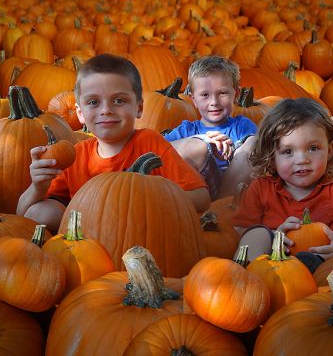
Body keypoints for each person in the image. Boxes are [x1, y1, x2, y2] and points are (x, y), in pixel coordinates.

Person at [16, 54, 210, 233]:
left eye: (118, 100)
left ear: (139, 108)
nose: (106, 110)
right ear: (80, 113)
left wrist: (151, 199)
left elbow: (201, 197)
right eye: (93, 102)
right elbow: (23, 216)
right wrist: (37, 187)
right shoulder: (75, 156)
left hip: (140, 233)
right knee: (42, 213)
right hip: (89, 241)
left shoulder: (150, 144)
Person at [232, 98, 333, 271]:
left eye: (313, 148)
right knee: (256, 234)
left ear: (329, 150)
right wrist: (274, 238)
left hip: (324, 276)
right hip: (271, 268)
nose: (302, 160)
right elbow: (239, 232)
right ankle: (246, 282)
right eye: (287, 151)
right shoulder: (261, 189)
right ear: (271, 157)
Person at [163, 55, 257, 200]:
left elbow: (259, 158)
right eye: (205, 95)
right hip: (197, 193)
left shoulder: (241, 127)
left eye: (222, 93)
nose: (214, 102)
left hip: (230, 197)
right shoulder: (187, 130)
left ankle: (219, 210)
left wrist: (234, 151)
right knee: (190, 148)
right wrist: (203, 141)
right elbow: (156, 151)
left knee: (253, 143)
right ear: (193, 99)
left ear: (236, 94)